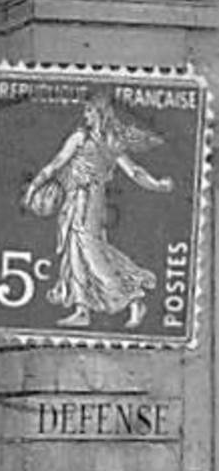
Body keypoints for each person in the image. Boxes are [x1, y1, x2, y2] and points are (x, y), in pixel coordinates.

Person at [21, 91, 173, 330]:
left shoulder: (107, 142)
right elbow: (57, 164)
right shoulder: (85, 138)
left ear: (101, 113)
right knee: (76, 253)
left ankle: (133, 299)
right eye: (86, 111)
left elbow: (133, 171)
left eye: (90, 110)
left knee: (91, 253)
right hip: (75, 199)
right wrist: (34, 186)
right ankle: (82, 310)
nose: (86, 115)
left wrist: (157, 185)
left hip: (89, 200)